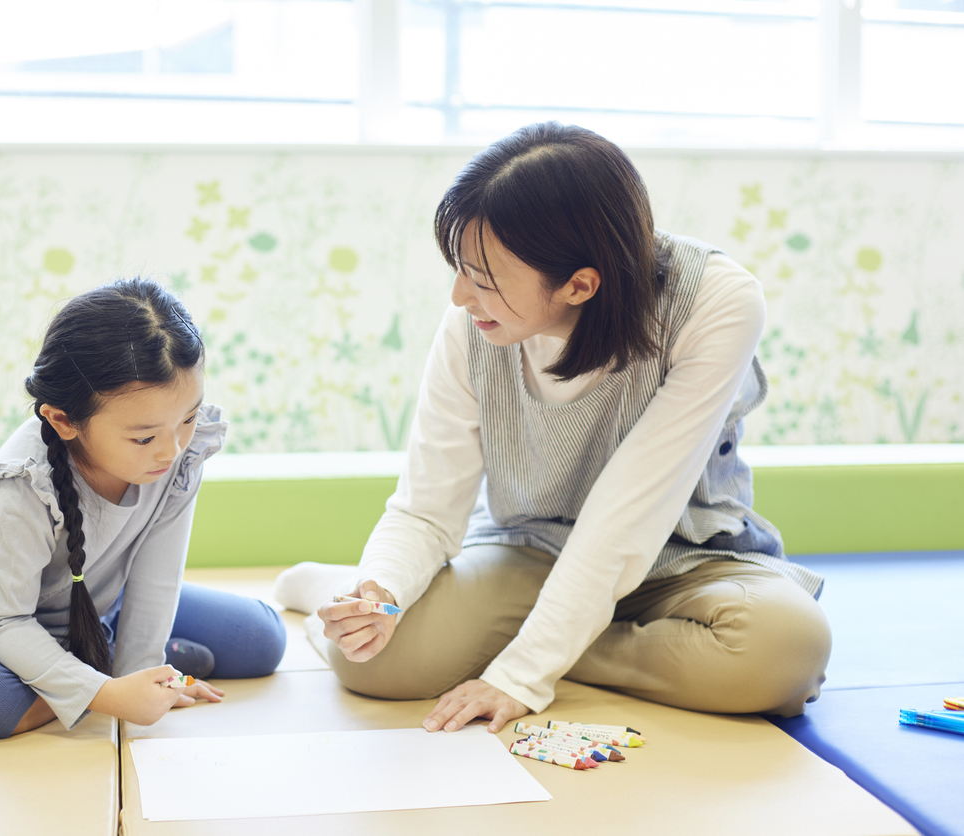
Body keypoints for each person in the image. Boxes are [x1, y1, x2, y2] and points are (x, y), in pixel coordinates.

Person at [275, 122, 831, 735]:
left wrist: (520, 673)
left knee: (786, 650)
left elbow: (630, 514)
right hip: (531, 550)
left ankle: (526, 638)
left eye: (483, 278)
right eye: (460, 268)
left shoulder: (715, 302)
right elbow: (427, 511)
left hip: (686, 555)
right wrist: (378, 594)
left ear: (579, 285)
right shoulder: (471, 327)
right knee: (373, 668)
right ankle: (353, 587)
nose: (460, 296)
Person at [0, 277, 286, 739]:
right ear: (64, 420)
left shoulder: (175, 450)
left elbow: (156, 574)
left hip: (102, 603)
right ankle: (94, 661)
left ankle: (95, 653)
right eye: (144, 437)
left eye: (188, 417)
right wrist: (109, 692)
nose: (171, 450)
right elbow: (0, 620)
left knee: (262, 640)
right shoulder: (22, 481)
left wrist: (145, 672)